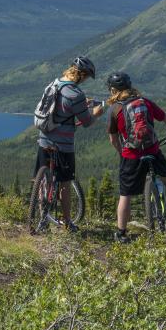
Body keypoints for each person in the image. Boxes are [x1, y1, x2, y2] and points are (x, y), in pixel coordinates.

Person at [106, 72, 166, 243]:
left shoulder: (115, 109)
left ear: (113, 90)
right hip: (153, 151)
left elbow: (113, 139)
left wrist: (122, 152)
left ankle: (121, 233)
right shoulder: (145, 102)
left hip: (131, 156)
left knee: (125, 195)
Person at [34, 56, 103, 232]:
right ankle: (67, 223)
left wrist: (80, 104)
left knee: (43, 181)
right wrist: (96, 112)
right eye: (86, 77)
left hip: (43, 138)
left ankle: (42, 221)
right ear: (82, 75)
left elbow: (58, 108)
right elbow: (86, 121)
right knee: (64, 183)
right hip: (63, 144)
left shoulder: (54, 84)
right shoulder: (76, 94)